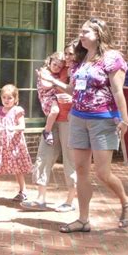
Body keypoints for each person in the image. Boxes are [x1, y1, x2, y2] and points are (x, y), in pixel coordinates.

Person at [41, 17, 128, 232]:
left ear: (98, 34)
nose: (80, 35)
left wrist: (125, 120)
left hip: (103, 120)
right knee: (81, 170)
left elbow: (118, 91)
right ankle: (83, 219)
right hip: (78, 118)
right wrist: (53, 82)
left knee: (102, 172)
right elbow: (74, 90)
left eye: (85, 32)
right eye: (81, 32)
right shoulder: (82, 61)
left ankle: (126, 202)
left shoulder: (112, 58)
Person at [21, 40, 78, 212]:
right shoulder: (60, 68)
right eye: (66, 53)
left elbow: (88, 96)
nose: (67, 57)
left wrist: (73, 100)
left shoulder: (79, 71)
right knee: (43, 156)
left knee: (71, 160)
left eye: (71, 54)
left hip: (69, 120)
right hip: (53, 120)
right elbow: (46, 80)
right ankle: (40, 199)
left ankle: (70, 201)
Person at [37, 52, 65, 145]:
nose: (56, 67)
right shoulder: (45, 71)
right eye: (54, 64)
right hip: (47, 97)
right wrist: (56, 83)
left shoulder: (58, 74)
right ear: (50, 62)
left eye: (59, 67)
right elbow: (46, 85)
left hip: (54, 97)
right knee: (55, 111)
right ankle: (47, 131)